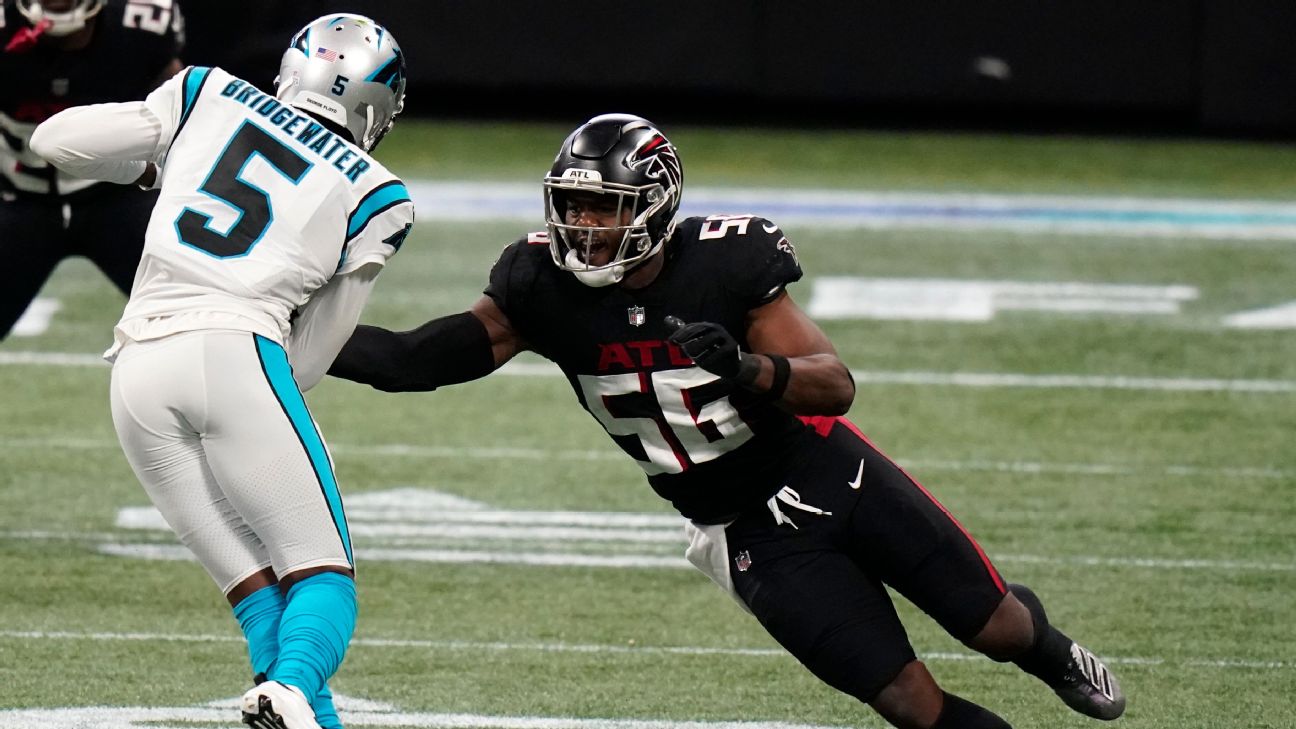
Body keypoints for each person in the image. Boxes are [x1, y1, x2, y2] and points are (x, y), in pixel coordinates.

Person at [326, 114, 1127, 729]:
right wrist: (289, 335)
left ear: (653, 206)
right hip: (742, 529)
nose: (583, 226)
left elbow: (834, 384)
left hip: (829, 473)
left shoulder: (727, 263)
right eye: (571, 207)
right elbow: (416, 359)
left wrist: (746, 368)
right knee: (913, 704)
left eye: (602, 209)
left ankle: (1051, 652)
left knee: (997, 625)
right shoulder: (539, 286)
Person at [30, 12, 411, 729]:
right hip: (237, 352)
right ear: (374, 104)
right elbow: (313, 354)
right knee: (323, 575)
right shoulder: (380, 195)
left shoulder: (206, 91)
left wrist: (154, 162)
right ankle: (294, 685)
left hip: (136, 368)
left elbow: (56, 142)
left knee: (260, 595)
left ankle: (297, 699)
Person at [1, 0, 184, 340]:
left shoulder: (142, 24)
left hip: (119, 195)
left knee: (190, 319)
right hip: (17, 195)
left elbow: (182, 108)